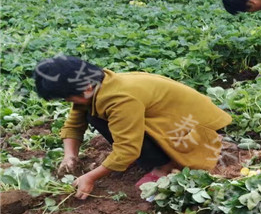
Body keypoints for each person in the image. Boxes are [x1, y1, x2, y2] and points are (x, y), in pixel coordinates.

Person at [34, 56, 231, 200]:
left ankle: (166, 166)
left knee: (124, 131)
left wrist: (91, 177)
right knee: (93, 114)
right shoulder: (97, 86)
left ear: (85, 86)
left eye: (67, 97)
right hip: (176, 122)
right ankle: (160, 158)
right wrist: (70, 156)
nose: (68, 102)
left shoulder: (120, 98)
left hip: (198, 130)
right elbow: (75, 123)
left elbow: (128, 148)